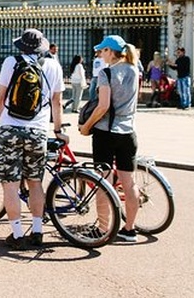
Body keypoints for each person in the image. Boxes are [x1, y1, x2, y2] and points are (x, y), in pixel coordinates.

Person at [0, 28, 65, 249]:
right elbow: (57, 103)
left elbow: (1, 98)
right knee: (35, 182)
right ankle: (37, 231)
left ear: (22, 46)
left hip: (11, 127)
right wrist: (57, 130)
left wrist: (3, 121)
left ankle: (17, 235)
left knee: (10, 185)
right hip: (38, 130)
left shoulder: (11, 62)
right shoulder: (53, 65)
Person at [79, 35, 141, 243]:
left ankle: (103, 228)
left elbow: (103, 105)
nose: (100, 54)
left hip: (106, 132)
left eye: (102, 50)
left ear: (110, 51)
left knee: (102, 181)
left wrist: (87, 126)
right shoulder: (134, 69)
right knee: (128, 182)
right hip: (128, 132)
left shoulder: (106, 73)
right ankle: (129, 229)